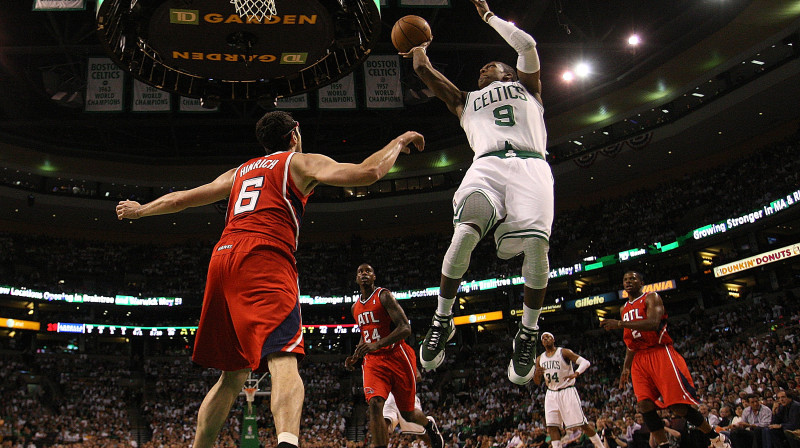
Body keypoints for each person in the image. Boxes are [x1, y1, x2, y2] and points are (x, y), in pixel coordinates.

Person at [116, 111, 424, 448]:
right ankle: (288, 443)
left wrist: (140, 210)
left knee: (232, 376)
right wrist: (400, 140)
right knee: (283, 358)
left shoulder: (238, 173)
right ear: (294, 135)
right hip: (264, 256)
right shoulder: (299, 163)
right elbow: (369, 172)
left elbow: (178, 199)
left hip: (222, 258)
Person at [405, 0, 554, 385]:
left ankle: (528, 332)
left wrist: (489, 17)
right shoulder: (464, 99)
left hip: (531, 165)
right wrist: (418, 46)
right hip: (486, 166)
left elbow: (527, 47)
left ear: (508, 72)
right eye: (481, 68)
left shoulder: (529, 89)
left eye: (492, 66)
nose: (484, 68)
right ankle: (442, 319)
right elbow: (423, 70)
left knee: (538, 248)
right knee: (464, 233)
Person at [600, 271, 731, 448]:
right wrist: (625, 368)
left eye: (633, 279)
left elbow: (653, 323)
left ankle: (716, 437)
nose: (628, 282)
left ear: (641, 282)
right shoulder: (624, 309)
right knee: (644, 405)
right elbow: (630, 343)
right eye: (625, 279)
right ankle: (664, 445)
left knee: (677, 406)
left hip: (660, 352)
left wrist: (620, 324)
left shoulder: (651, 297)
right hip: (640, 358)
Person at [344, 263, 444, 448]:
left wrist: (377, 344)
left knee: (408, 413)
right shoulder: (355, 307)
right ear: (356, 279)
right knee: (374, 405)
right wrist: (356, 355)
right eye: (360, 272)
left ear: (374, 277)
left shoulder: (384, 296)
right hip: (373, 362)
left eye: (368, 271)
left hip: (396, 355)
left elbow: (405, 328)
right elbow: (366, 333)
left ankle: (428, 424)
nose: (364, 274)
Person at [533, 332, 604, 448]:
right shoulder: (540, 359)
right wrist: (536, 374)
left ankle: (601, 446)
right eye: (543, 338)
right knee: (552, 427)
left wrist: (576, 373)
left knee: (583, 424)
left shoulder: (563, 352)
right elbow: (537, 382)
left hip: (567, 391)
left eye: (548, 337)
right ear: (541, 342)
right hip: (551, 393)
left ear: (553, 340)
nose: (546, 339)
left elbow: (585, 362)